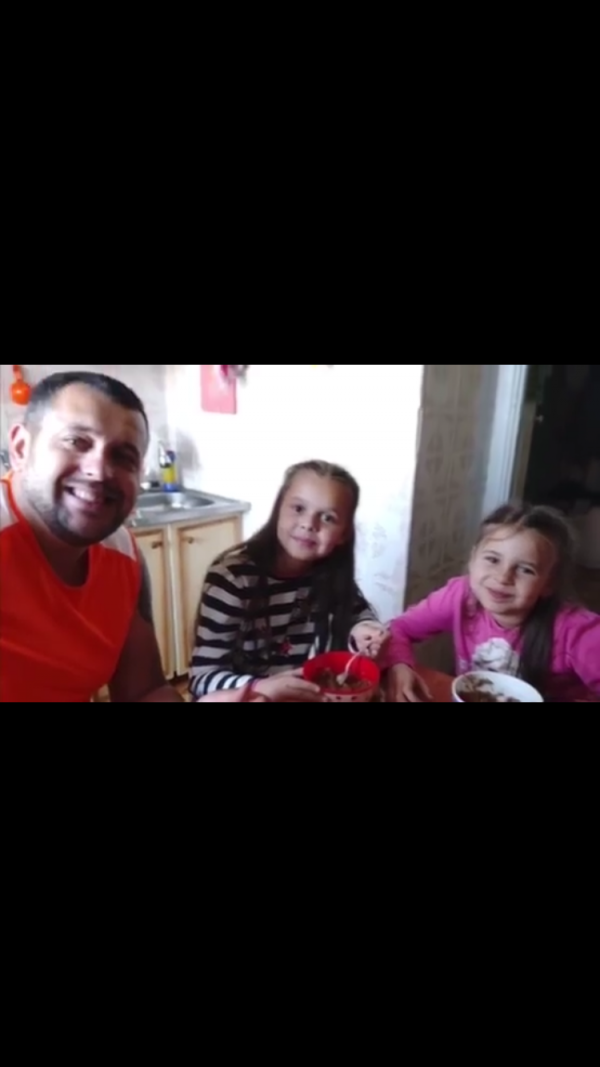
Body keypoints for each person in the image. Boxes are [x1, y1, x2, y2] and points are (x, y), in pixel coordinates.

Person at [0, 371, 248, 704]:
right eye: (76, 441)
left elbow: (144, 691)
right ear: (20, 448)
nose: (99, 471)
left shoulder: (122, 553)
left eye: (123, 456)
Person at [189, 459, 388, 701]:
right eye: (298, 508)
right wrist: (261, 687)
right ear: (278, 509)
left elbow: (358, 614)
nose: (308, 524)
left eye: (328, 518)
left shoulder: (329, 574)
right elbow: (202, 679)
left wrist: (363, 630)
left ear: (343, 534)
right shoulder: (233, 579)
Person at [382, 503, 600, 703]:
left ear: (549, 584)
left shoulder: (578, 631)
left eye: (525, 569)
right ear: (473, 559)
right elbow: (399, 628)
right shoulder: (460, 596)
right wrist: (400, 665)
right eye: (493, 559)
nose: (503, 577)